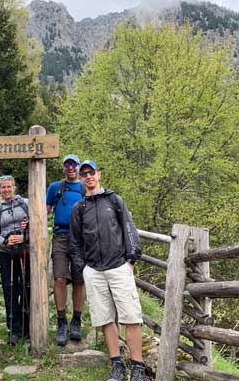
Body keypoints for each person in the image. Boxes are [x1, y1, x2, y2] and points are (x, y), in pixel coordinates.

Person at [69, 160, 147, 381]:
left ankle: (138, 367)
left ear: (98, 174)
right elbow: (74, 243)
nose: (88, 176)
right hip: (93, 270)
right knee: (105, 319)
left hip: (119, 266)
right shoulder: (79, 208)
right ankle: (116, 365)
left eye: (91, 172)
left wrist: (131, 259)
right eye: (84, 174)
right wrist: (82, 268)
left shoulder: (114, 200)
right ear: (81, 179)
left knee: (131, 316)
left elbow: (129, 229)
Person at [46, 154, 86, 346]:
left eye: (73, 164)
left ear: (78, 167)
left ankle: (76, 320)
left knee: (79, 280)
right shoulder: (55, 187)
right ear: (63, 167)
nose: (70, 167)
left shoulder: (85, 187)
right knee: (60, 278)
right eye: (67, 164)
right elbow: (44, 209)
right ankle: (61, 321)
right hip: (60, 236)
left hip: (81, 239)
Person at [0, 175, 29, 345]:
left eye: (9, 186)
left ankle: (27, 326)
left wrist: (25, 236)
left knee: (26, 287)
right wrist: (5, 241)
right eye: (3, 187)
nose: (6, 190)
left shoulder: (25, 204)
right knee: (9, 290)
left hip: (25, 251)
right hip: (6, 252)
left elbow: (36, 222)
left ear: (14, 187)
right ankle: (13, 329)